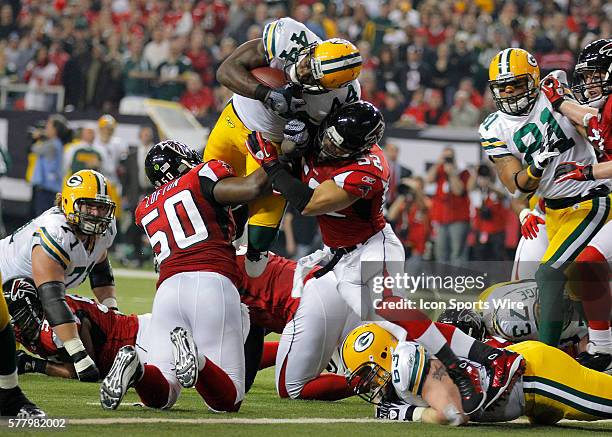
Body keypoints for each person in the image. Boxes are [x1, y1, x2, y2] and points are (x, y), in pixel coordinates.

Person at [246, 101, 524, 415]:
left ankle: (474, 364)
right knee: (396, 332)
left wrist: (271, 165)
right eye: (328, 137)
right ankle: (479, 362)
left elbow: (309, 203)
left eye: (338, 144)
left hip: (371, 248)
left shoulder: (369, 167)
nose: (327, 146)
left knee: (391, 306)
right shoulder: (322, 135)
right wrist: (285, 150)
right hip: (339, 260)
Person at [100, 140, 269, 412]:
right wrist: (275, 156)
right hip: (211, 282)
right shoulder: (201, 176)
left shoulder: (146, 207)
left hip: (167, 291)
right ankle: (198, 361)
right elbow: (252, 188)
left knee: (163, 394)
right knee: (229, 399)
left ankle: (138, 370)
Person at [206, 16, 362, 278]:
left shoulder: (341, 100)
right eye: (308, 63)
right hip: (234, 121)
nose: (303, 72)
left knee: (258, 243)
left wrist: (299, 139)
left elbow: (309, 148)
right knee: (207, 196)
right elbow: (226, 70)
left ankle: (253, 251)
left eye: (314, 76)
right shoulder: (289, 36)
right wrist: (264, 94)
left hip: (274, 145)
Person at [479, 48, 610, 348]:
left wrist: (562, 102)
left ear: (535, 80)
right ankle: (523, 346)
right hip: (547, 211)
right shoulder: (493, 127)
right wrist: (535, 168)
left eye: (517, 84)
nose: (510, 92)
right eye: (503, 87)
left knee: (553, 276)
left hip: (587, 197)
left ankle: (558, 355)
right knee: (523, 289)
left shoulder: (553, 92)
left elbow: (594, 128)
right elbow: (516, 184)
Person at [341, 324, 612, 425]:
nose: (371, 385)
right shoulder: (404, 372)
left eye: (369, 375)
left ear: (385, 355)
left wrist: (411, 414)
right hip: (527, 390)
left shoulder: (406, 363)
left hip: (535, 378)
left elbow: (456, 414)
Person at [0, 169, 119, 385]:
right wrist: (78, 355)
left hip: (29, 295)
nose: (95, 213)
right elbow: (52, 297)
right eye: (88, 205)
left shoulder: (104, 230)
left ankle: (25, 361)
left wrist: (112, 315)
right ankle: (24, 361)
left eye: (101, 207)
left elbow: (101, 270)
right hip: (11, 293)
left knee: (96, 355)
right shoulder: (55, 230)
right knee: (72, 352)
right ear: (69, 203)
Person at [237, 249, 359, 400]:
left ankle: (374, 382)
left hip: (311, 298)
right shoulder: (237, 251)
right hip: (331, 282)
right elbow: (248, 343)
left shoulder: (217, 269)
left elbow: (234, 351)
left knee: (292, 389)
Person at [9, 290, 148, 380]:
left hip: (139, 339)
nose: (18, 325)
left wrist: (33, 364)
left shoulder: (55, 322)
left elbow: (85, 371)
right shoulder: (34, 323)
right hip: (131, 348)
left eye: (21, 317)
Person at [425, 147, 471, 265]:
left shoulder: (462, 171)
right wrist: (437, 163)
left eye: (450, 157)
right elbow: (428, 180)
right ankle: (443, 281)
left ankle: (456, 281)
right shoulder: (439, 169)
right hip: (441, 217)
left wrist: (452, 173)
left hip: (458, 218)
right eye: (445, 157)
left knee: (457, 253)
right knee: (441, 253)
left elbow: (458, 191)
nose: (447, 160)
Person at [30, 114, 70, 216]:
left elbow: (34, 149)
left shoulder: (52, 144)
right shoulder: (56, 143)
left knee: (42, 219)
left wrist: (36, 138)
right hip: (51, 188)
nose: (45, 129)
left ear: (55, 129)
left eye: (48, 126)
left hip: (47, 189)